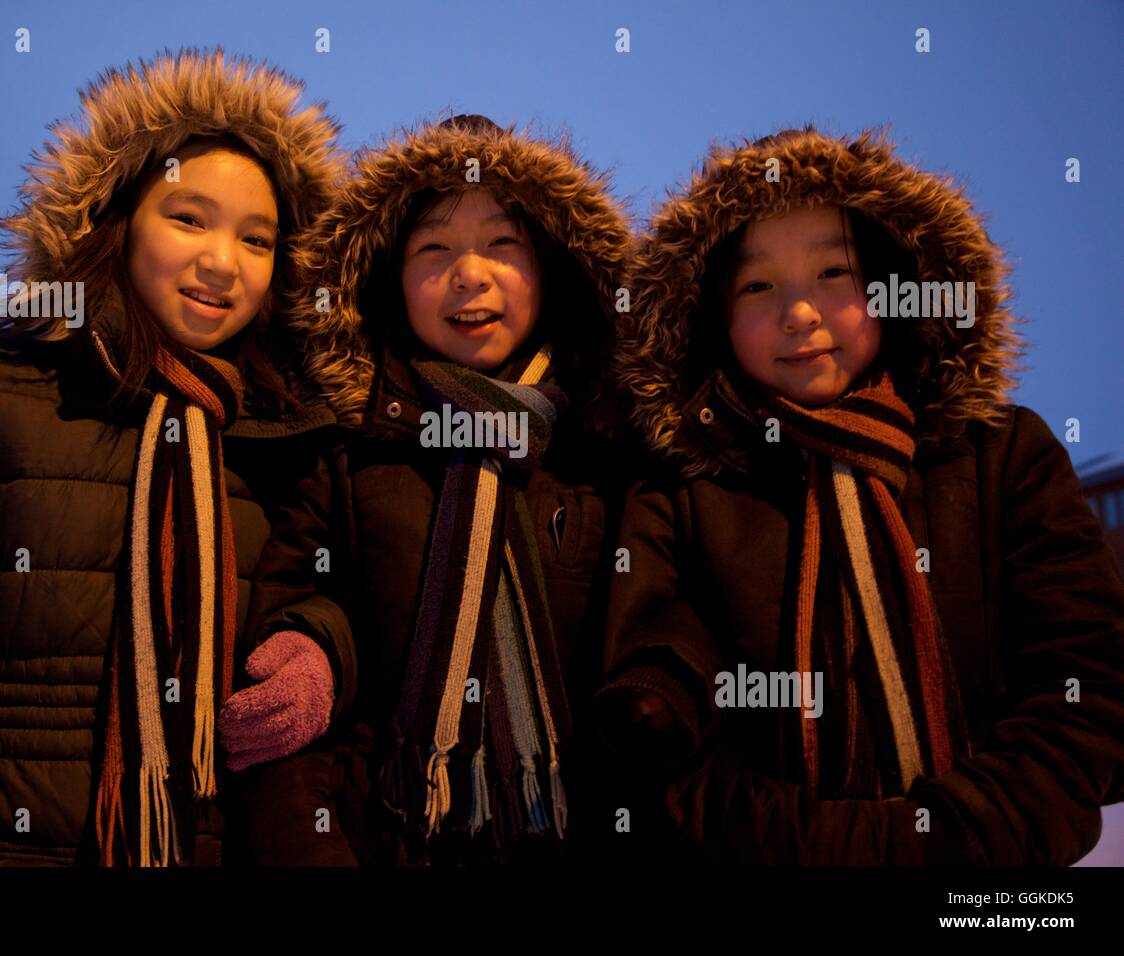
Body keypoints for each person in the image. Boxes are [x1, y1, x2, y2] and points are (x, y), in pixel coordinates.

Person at [0, 49, 343, 866]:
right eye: (188, 218)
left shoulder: (282, 443)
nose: (221, 262)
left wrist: (320, 645)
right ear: (116, 223)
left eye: (258, 239)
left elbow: (337, 593)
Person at [597, 126, 1124, 865]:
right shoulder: (685, 491)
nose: (799, 313)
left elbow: (1086, 680)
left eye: (834, 274)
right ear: (712, 318)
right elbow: (659, 727)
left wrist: (960, 834)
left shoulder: (1000, 454)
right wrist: (840, 846)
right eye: (757, 286)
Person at [220, 114, 631, 865]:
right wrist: (313, 650)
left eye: (504, 245)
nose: (469, 274)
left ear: (553, 270)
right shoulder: (350, 456)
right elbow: (296, 616)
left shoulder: (608, 459)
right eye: (433, 250)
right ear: (389, 283)